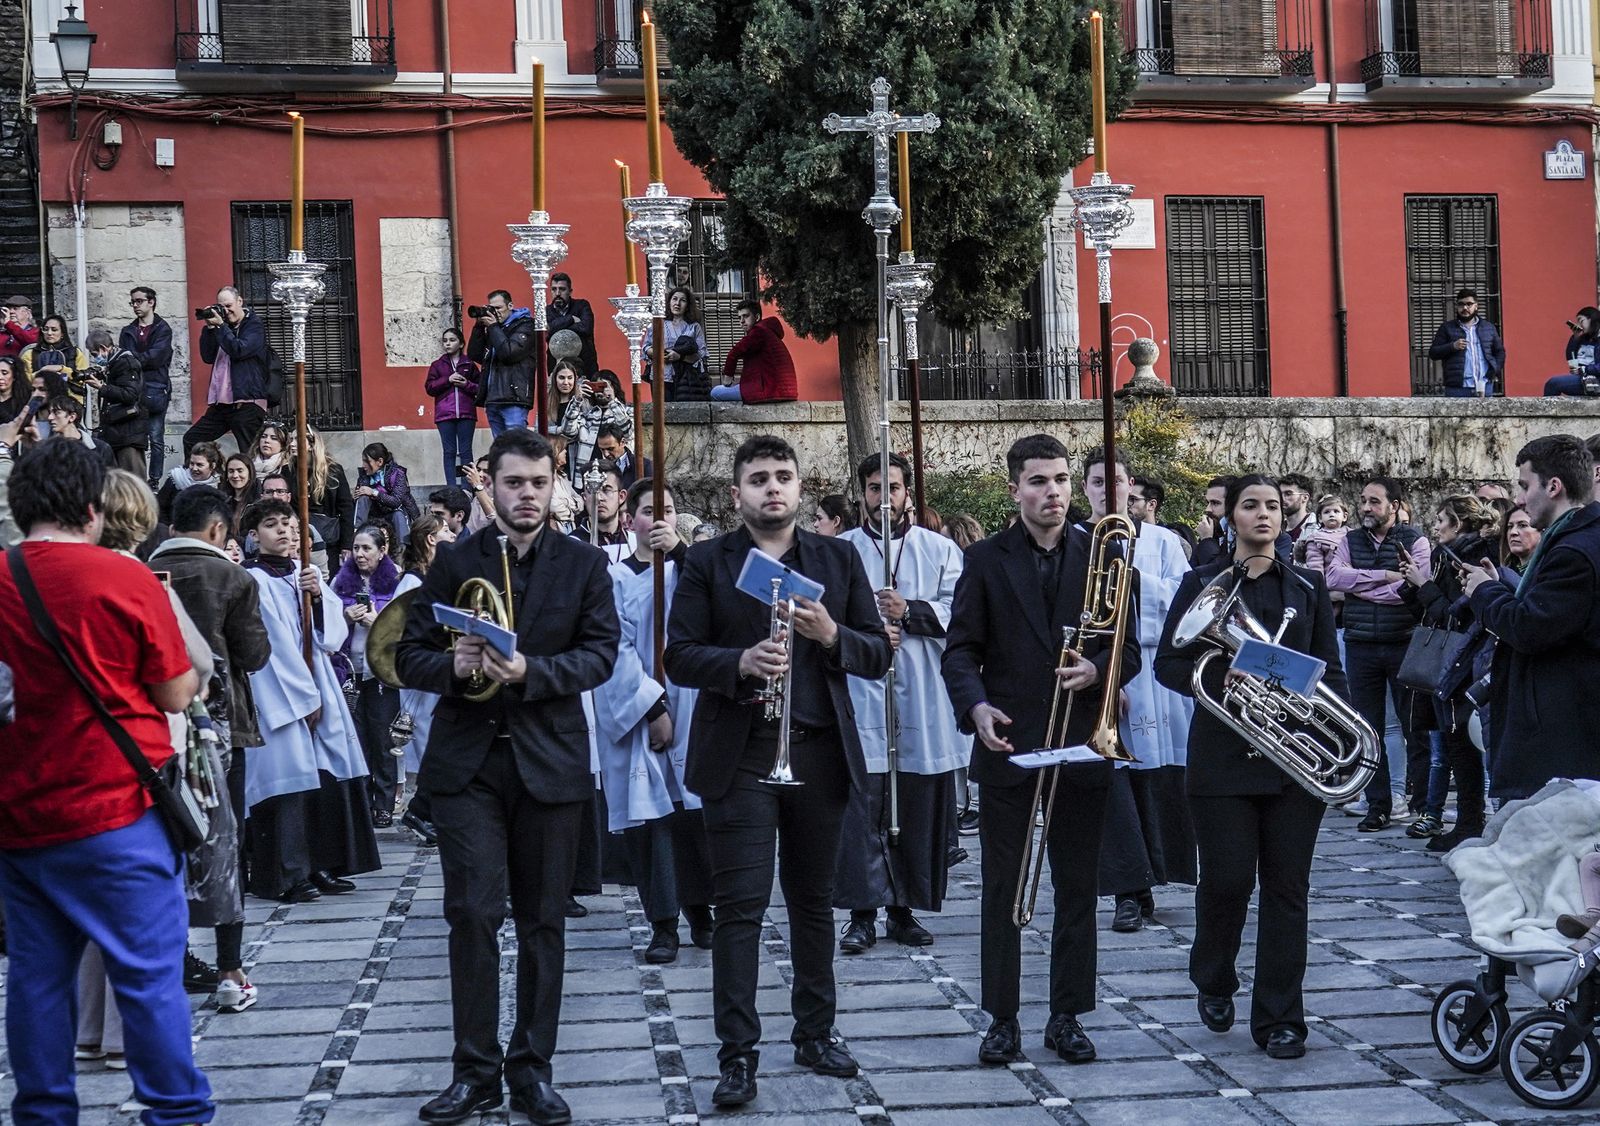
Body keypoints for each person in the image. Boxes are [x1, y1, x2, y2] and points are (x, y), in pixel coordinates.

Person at [394, 427, 619, 1126]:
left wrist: (531, 672)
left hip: (548, 763)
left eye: (538, 483)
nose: (526, 495)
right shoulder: (454, 559)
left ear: (555, 487)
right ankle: (474, 1073)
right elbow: (406, 655)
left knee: (542, 920)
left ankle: (532, 1071)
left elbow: (601, 655)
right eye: (513, 482)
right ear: (489, 485)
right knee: (471, 915)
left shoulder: (584, 564)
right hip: (468, 766)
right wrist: (453, 667)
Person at [664, 434, 890, 1107]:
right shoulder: (707, 561)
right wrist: (738, 662)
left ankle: (815, 1033)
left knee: (813, 902)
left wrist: (831, 635)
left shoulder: (839, 558)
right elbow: (679, 655)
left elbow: (877, 654)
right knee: (739, 908)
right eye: (758, 478)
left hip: (818, 753)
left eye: (783, 477)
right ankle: (737, 1054)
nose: (772, 488)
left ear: (799, 487)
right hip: (740, 754)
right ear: (737, 493)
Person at [0, 437, 214, 1125]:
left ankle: (43, 1115)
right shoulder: (125, 580)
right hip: (119, 810)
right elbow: (176, 690)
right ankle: (176, 1112)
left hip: (20, 816)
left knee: (36, 979)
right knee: (148, 977)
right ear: (93, 509)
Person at [940, 433, 1141, 1068]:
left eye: (1059, 479)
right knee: (1003, 888)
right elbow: (960, 650)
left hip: (1082, 741)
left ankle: (1067, 1016)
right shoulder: (984, 560)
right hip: (1010, 740)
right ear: (1014, 490)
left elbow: (1129, 649)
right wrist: (975, 707)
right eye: (1038, 481)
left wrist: (1100, 670)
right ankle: (1001, 1019)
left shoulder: (1105, 555)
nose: (1052, 492)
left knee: (1077, 886)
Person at [1154, 473, 1346, 1062]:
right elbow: (1168, 665)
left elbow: (1330, 672)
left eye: (1273, 506)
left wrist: (1322, 714)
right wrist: (1221, 677)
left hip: (1293, 762)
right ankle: (1213, 976)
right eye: (1251, 505)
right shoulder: (1201, 583)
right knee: (1228, 881)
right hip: (1221, 760)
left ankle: (1281, 1020)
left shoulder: (1308, 586)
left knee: (1287, 890)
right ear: (1230, 517)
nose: (1265, 514)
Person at [834, 452, 967, 952]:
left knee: (912, 804)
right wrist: (868, 633)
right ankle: (861, 914)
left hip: (920, 693)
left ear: (907, 492)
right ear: (862, 494)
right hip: (863, 691)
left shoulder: (939, 550)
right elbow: (823, 619)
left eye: (892, 488)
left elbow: (962, 612)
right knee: (862, 805)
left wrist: (910, 610)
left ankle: (903, 910)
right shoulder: (841, 551)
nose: (883, 498)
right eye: (874, 488)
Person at [148, 484, 272, 1013]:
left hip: (154, 729)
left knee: (167, 844)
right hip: (217, 725)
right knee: (223, 844)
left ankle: (175, 955)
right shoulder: (233, 577)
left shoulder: (142, 571)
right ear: (219, 529)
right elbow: (255, 653)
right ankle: (229, 967)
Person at [238, 497, 380, 903]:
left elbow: (331, 636)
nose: (283, 531)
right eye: (272, 525)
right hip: (281, 693)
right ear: (254, 535)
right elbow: (276, 646)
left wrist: (318, 598)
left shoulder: (306, 573)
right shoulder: (253, 580)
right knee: (288, 781)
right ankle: (285, 874)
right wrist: (305, 699)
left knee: (325, 776)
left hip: (318, 681)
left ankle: (321, 863)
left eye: (288, 524)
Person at [1081, 446, 1196, 933]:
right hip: (1100, 670)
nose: (1108, 490)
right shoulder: (1077, 540)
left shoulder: (1164, 540)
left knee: (1158, 780)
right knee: (1114, 784)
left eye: (1116, 481)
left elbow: (1184, 600)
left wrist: (1129, 579)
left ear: (1132, 487)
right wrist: (1105, 674)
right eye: (1098, 482)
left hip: (1154, 668)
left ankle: (1157, 874)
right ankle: (1127, 889)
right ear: (1085, 488)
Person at [1465, 434, 1600, 800]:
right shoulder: (1574, 540)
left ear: (1553, 487)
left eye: (1525, 486)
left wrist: (1484, 591)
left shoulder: (1574, 551)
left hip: (1562, 742)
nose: (1520, 499)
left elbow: (1529, 627)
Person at [615, 484, 716, 952]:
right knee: (656, 820)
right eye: (648, 511)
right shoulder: (615, 579)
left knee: (695, 815)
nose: (659, 519)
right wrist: (652, 708)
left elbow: (720, 593)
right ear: (629, 519)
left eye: (669, 510)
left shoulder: (691, 569)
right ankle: (663, 923)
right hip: (644, 709)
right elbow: (614, 649)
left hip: (693, 703)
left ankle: (702, 910)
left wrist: (679, 552)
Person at [1326, 476, 1430, 831]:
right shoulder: (1349, 540)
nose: (1366, 508)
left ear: (1394, 506)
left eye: (1374, 501)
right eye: (1363, 501)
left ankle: (1422, 807)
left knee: (1414, 726)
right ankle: (1378, 805)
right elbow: (1333, 577)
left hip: (1403, 642)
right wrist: (1385, 575)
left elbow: (1412, 587)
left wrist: (1360, 585)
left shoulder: (1416, 541)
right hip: (1360, 645)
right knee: (1367, 730)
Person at [1398, 494, 1496, 849]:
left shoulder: (1465, 559)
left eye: (1441, 520)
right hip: (1447, 663)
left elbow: (1455, 614)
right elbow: (1429, 612)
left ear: (1459, 523)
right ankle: (1468, 821)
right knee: (1454, 747)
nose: (1436, 526)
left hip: (1462, 664)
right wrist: (1414, 584)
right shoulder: (1445, 556)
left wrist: (1423, 585)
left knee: (1462, 748)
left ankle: (1470, 822)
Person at [333, 524, 405, 827]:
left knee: (384, 739)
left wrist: (378, 622)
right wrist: (345, 617)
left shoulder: (396, 581)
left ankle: (384, 803)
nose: (360, 554)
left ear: (381, 551)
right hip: (351, 670)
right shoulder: (341, 581)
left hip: (381, 672)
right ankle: (362, 802)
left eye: (367, 548)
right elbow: (328, 625)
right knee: (357, 739)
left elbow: (403, 629)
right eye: (356, 548)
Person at [185, 286, 271, 455]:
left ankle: (251, 474)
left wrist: (221, 326)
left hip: (246, 403)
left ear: (240, 301)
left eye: (228, 305)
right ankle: (201, 471)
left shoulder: (253, 325)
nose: (225, 311)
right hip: (222, 404)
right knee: (191, 439)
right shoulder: (222, 328)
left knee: (250, 453)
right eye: (221, 306)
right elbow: (208, 356)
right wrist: (210, 329)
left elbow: (239, 350)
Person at [121, 286, 175, 485]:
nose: (135, 305)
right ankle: (138, 478)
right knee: (134, 437)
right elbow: (124, 359)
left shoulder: (163, 329)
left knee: (156, 437)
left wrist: (134, 359)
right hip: (133, 390)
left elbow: (156, 357)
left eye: (139, 301)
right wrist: (137, 360)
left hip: (156, 388)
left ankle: (154, 480)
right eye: (133, 302)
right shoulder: (128, 330)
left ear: (151, 302)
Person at [77, 328, 148, 477]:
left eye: (94, 354)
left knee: (132, 480)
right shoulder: (115, 362)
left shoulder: (126, 363)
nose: (95, 358)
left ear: (103, 348)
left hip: (128, 434)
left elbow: (130, 395)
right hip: (118, 432)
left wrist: (102, 387)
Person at [467, 290, 537, 437]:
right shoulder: (495, 329)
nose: (495, 312)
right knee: (500, 447)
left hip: (513, 398)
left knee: (515, 444)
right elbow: (475, 355)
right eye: (491, 308)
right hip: (493, 398)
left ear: (510, 306)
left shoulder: (526, 326)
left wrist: (493, 327)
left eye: (498, 308)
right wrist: (478, 327)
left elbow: (509, 354)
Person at [285, 425, 357, 562]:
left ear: (312, 444)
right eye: (291, 439)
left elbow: (346, 508)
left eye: (297, 439)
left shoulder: (333, 471)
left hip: (328, 540)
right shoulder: (287, 471)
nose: (292, 444)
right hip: (297, 541)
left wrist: (346, 544)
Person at [713, 302, 798, 404]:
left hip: (770, 390)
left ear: (757, 317)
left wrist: (727, 380)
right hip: (785, 391)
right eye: (739, 317)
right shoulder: (768, 331)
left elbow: (733, 353)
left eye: (746, 316)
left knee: (716, 392)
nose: (742, 321)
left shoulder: (759, 331)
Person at [426, 326, 480, 481]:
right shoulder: (437, 365)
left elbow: (480, 387)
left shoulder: (469, 364)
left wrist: (466, 385)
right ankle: (451, 487)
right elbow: (430, 388)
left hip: (466, 413)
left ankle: (467, 486)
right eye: (445, 341)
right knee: (449, 451)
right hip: (444, 414)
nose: (448, 344)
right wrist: (447, 380)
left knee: (466, 451)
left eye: (452, 340)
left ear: (461, 344)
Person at [1429, 287, 1504, 398]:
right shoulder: (1447, 328)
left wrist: (1492, 372)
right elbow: (1433, 353)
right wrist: (1452, 346)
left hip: (1484, 387)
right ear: (1457, 306)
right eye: (1461, 304)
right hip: (1457, 389)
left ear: (1476, 306)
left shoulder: (1488, 327)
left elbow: (1500, 352)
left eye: (1469, 304)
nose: (1465, 308)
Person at [560, 369, 631, 484]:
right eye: (597, 387)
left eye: (604, 386)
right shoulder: (586, 415)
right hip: (585, 477)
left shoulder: (626, 412)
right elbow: (567, 431)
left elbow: (627, 432)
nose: (601, 391)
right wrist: (577, 400)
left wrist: (613, 401)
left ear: (614, 388)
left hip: (614, 477)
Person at [643, 286, 710, 402]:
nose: (677, 303)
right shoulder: (657, 324)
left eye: (682, 300)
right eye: (674, 299)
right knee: (662, 409)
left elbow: (702, 352)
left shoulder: (694, 327)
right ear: (669, 302)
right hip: (660, 375)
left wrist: (680, 357)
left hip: (686, 378)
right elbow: (646, 347)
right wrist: (659, 354)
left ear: (687, 305)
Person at [354, 442, 420, 551]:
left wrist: (374, 492)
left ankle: (404, 551)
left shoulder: (397, 473)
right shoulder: (364, 476)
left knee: (398, 514)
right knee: (363, 497)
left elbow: (396, 501)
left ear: (380, 461)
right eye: (363, 461)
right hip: (374, 514)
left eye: (367, 461)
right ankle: (357, 533)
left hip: (394, 513)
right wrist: (358, 495)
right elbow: (359, 500)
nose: (363, 465)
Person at [571, 463, 632, 556]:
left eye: (606, 490)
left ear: (621, 496)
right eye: (592, 490)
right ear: (584, 497)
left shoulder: (635, 543)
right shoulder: (571, 545)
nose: (598, 497)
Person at [158, 441, 224, 525]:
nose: (194, 468)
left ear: (212, 466)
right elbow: (159, 507)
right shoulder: (176, 479)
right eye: (192, 463)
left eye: (199, 465)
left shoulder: (219, 486)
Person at [19, 314, 89, 392]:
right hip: (39, 396)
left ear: (62, 333)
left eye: (54, 330)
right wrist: (41, 373)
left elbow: (85, 377)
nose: (49, 333)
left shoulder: (75, 352)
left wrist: (62, 369)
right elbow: (23, 381)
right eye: (46, 329)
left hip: (70, 397)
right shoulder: (30, 354)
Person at [547, 272, 598, 376]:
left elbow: (586, 328)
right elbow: (548, 331)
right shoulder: (546, 311)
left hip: (585, 365)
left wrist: (557, 327)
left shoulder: (582, 306)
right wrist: (571, 318)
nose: (557, 293)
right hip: (556, 368)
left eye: (562, 289)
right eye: (554, 289)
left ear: (570, 291)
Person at [43, 394, 113, 469]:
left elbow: (111, 475)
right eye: (50, 413)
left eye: (57, 412)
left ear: (72, 417)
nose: (50, 417)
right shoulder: (48, 450)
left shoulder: (101, 449)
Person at [1191, 475, 1232, 568]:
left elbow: (1219, 572)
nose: (1208, 509)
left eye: (1215, 503)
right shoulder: (1215, 533)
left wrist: (1206, 540)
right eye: (1207, 503)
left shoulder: (1242, 538)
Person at [595, 423, 651, 490]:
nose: (606, 454)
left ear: (623, 442)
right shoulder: (597, 468)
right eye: (602, 449)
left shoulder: (645, 466)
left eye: (610, 449)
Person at [221, 453, 259, 531]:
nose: (235, 475)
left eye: (240, 471)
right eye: (231, 471)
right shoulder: (221, 500)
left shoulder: (258, 502)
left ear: (250, 473)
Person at [1502, 502, 1541, 571]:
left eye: (1523, 525)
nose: (1513, 532)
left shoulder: (1550, 568)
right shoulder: (1503, 572)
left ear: (1542, 530)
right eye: (1510, 526)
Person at [1279, 473, 1315, 545]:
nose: (1282, 498)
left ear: (1305, 498)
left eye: (1288, 494)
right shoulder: (1277, 528)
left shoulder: (1317, 529)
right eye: (1279, 494)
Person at [0, 293, 37, 359]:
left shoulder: (35, 332)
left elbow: (30, 343)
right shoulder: (2, 333)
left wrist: (9, 324)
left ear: (28, 312)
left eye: (15, 308)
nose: (11, 312)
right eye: (8, 309)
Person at [549, 360, 582, 427]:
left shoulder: (582, 402)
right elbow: (538, 429)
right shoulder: (547, 403)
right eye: (561, 378)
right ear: (555, 379)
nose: (566, 382)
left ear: (575, 379)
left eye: (570, 378)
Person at [0, 355, 26, 424]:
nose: (0, 377)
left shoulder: (24, 400)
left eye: (4, 373)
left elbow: (18, 425)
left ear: (14, 376)